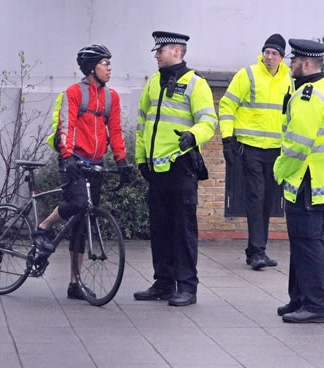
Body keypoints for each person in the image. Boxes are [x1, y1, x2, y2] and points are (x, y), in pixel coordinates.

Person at [32, 44, 134, 300]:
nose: (110, 68)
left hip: (96, 162)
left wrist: (122, 162)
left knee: (82, 223)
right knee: (77, 203)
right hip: (74, 159)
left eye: (110, 63)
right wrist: (67, 157)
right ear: (91, 68)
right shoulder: (73, 93)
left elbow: (116, 131)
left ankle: (74, 284)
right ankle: (44, 227)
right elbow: (66, 126)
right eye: (105, 63)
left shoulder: (112, 98)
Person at [133, 31, 217, 306]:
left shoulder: (196, 84)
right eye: (156, 51)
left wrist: (193, 135)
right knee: (160, 227)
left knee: (183, 229)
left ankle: (187, 287)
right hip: (157, 169)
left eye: (161, 50)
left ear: (177, 52)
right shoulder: (154, 82)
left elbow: (208, 121)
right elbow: (142, 123)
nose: (156, 55)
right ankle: (164, 282)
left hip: (181, 167)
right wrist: (141, 159)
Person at [274, 39, 324, 323]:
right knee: (303, 242)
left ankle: (315, 306)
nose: (289, 64)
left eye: (292, 61)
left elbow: (297, 147)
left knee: (307, 243)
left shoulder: (308, 96)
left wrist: (279, 170)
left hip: (308, 181)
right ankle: (299, 299)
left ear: (305, 64)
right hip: (323, 181)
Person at [219, 34, 291, 270]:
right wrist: (227, 139)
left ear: (282, 57)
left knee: (269, 200)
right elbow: (227, 105)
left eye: (274, 53)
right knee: (256, 197)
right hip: (250, 148)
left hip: (275, 150)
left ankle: (255, 250)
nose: (269, 57)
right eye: (266, 52)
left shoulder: (288, 79)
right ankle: (258, 251)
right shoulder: (247, 74)